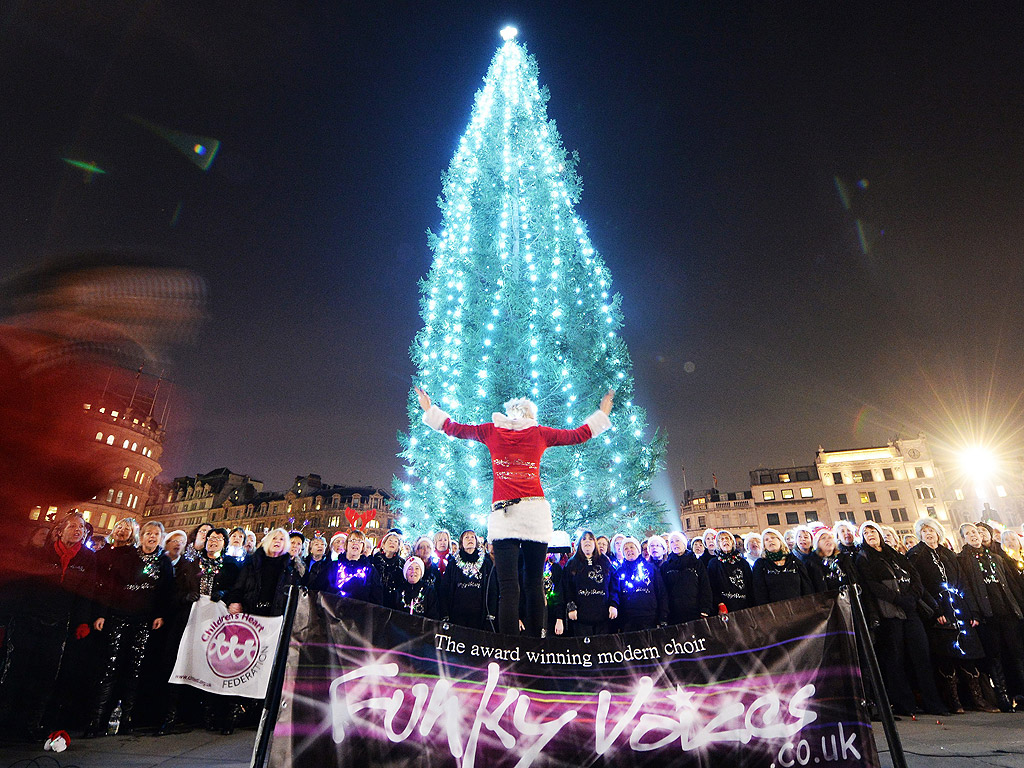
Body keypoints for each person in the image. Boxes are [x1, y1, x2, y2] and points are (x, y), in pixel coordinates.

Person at [416, 386, 613, 636]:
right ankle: (534, 646)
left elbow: (455, 428)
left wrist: (429, 410)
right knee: (534, 585)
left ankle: (509, 646)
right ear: (531, 415)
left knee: (508, 587)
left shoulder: (491, 430)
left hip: (503, 516)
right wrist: (602, 413)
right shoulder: (539, 433)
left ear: (509, 414)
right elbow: (578, 435)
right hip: (534, 514)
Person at [0, 513, 96, 740]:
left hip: (58, 623)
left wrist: (83, 621)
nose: (77, 530)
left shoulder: (87, 558)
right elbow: (24, 585)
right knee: (16, 670)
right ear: (60, 531)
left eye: (81, 527)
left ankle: (31, 723)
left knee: (44, 674)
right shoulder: (44, 552)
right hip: (28, 619)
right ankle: (5, 721)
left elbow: (87, 592)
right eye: (72, 526)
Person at [86, 521, 174, 737]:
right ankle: (96, 720)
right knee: (110, 666)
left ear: (161, 538)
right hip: (118, 617)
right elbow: (111, 586)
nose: (152, 537)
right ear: (141, 536)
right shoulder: (127, 557)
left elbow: (166, 591)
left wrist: (160, 615)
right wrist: (102, 613)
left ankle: (126, 718)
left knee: (135, 669)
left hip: (144, 621)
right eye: (148, 533)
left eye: (156, 534)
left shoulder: (164, 562)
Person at [855, 521, 947, 716]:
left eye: (873, 531)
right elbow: (872, 585)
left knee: (922, 655)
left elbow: (915, 578)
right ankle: (905, 704)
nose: (870, 534)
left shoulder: (896, 555)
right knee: (895, 659)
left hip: (910, 609)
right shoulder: (863, 557)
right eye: (866, 533)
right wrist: (897, 598)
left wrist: (912, 597)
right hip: (889, 612)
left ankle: (933, 702)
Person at [906, 518, 991, 714]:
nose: (928, 534)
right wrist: (935, 611)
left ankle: (976, 699)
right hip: (939, 612)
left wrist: (972, 610)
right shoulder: (916, 555)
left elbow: (963, 582)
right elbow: (921, 587)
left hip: (959, 610)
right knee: (946, 658)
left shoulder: (948, 554)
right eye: (924, 531)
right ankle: (954, 701)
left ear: (938, 532)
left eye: (931, 530)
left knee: (968, 656)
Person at [957, 522, 1024, 711]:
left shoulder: (996, 558)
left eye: (977, 532)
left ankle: (1020, 693)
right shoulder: (963, 560)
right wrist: (975, 612)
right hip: (988, 615)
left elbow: (1011, 586)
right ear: (964, 538)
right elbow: (967, 588)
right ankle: (1003, 697)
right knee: (995, 657)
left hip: (1007, 612)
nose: (974, 535)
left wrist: (1018, 608)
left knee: (1017, 654)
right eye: (969, 533)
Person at [229, 528, 302, 617]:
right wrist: (235, 601)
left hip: (275, 618)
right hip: (249, 614)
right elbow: (238, 586)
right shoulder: (252, 563)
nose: (277, 541)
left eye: (281, 539)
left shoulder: (290, 569)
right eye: (274, 538)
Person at [560, 531, 618, 636]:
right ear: (580, 544)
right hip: (581, 618)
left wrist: (613, 604)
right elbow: (567, 588)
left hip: (603, 617)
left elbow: (614, 586)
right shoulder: (571, 564)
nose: (587, 541)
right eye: (584, 539)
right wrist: (571, 607)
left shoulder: (605, 562)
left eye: (590, 539)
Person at [438, 530, 491, 630]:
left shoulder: (486, 563)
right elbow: (445, 588)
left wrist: (490, 616)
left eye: (472, 537)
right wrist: (445, 614)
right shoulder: (453, 563)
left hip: (479, 616)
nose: (470, 539)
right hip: (456, 614)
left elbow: (492, 589)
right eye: (466, 537)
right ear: (462, 542)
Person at [313, 529, 383, 605]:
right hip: (333, 613)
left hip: (359, 614)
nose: (356, 543)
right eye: (352, 540)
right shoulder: (333, 566)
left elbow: (376, 598)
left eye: (360, 541)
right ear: (346, 544)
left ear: (363, 547)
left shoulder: (370, 570)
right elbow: (317, 589)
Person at [615, 537, 667, 632]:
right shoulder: (619, 572)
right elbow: (616, 594)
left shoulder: (651, 568)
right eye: (625, 548)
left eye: (632, 547)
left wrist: (663, 617)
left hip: (649, 618)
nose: (629, 550)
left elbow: (661, 593)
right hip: (628, 620)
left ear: (638, 550)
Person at [751, 528, 813, 606]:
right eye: (766, 539)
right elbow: (759, 592)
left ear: (780, 541)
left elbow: (806, 587)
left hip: (798, 608)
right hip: (774, 611)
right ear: (764, 545)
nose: (770, 540)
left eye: (773, 538)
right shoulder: (760, 564)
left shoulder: (794, 561)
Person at [662, 531, 713, 623]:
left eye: (677, 540)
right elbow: (663, 591)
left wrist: (705, 609)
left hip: (695, 612)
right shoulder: (666, 566)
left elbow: (705, 586)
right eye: (672, 542)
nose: (675, 544)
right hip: (674, 614)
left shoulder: (696, 563)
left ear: (684, 543)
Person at [706, 529, 751, 614]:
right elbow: (712, 585)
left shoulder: (742, 562)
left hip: (743, 605)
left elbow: (749, 584)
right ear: (718, 544)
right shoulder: (714, 563)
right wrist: (719, 603)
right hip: (724, 607)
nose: (725, 541)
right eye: (721, 539)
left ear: (732, 542)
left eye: (727, 538)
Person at [370, 531, 405, 609]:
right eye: (390, 540)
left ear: (397, 548)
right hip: (375, 599)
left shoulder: (402, 563)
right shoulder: (374, 560)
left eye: (395, 542)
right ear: (383, 545)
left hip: (393, 602)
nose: (392, 543)